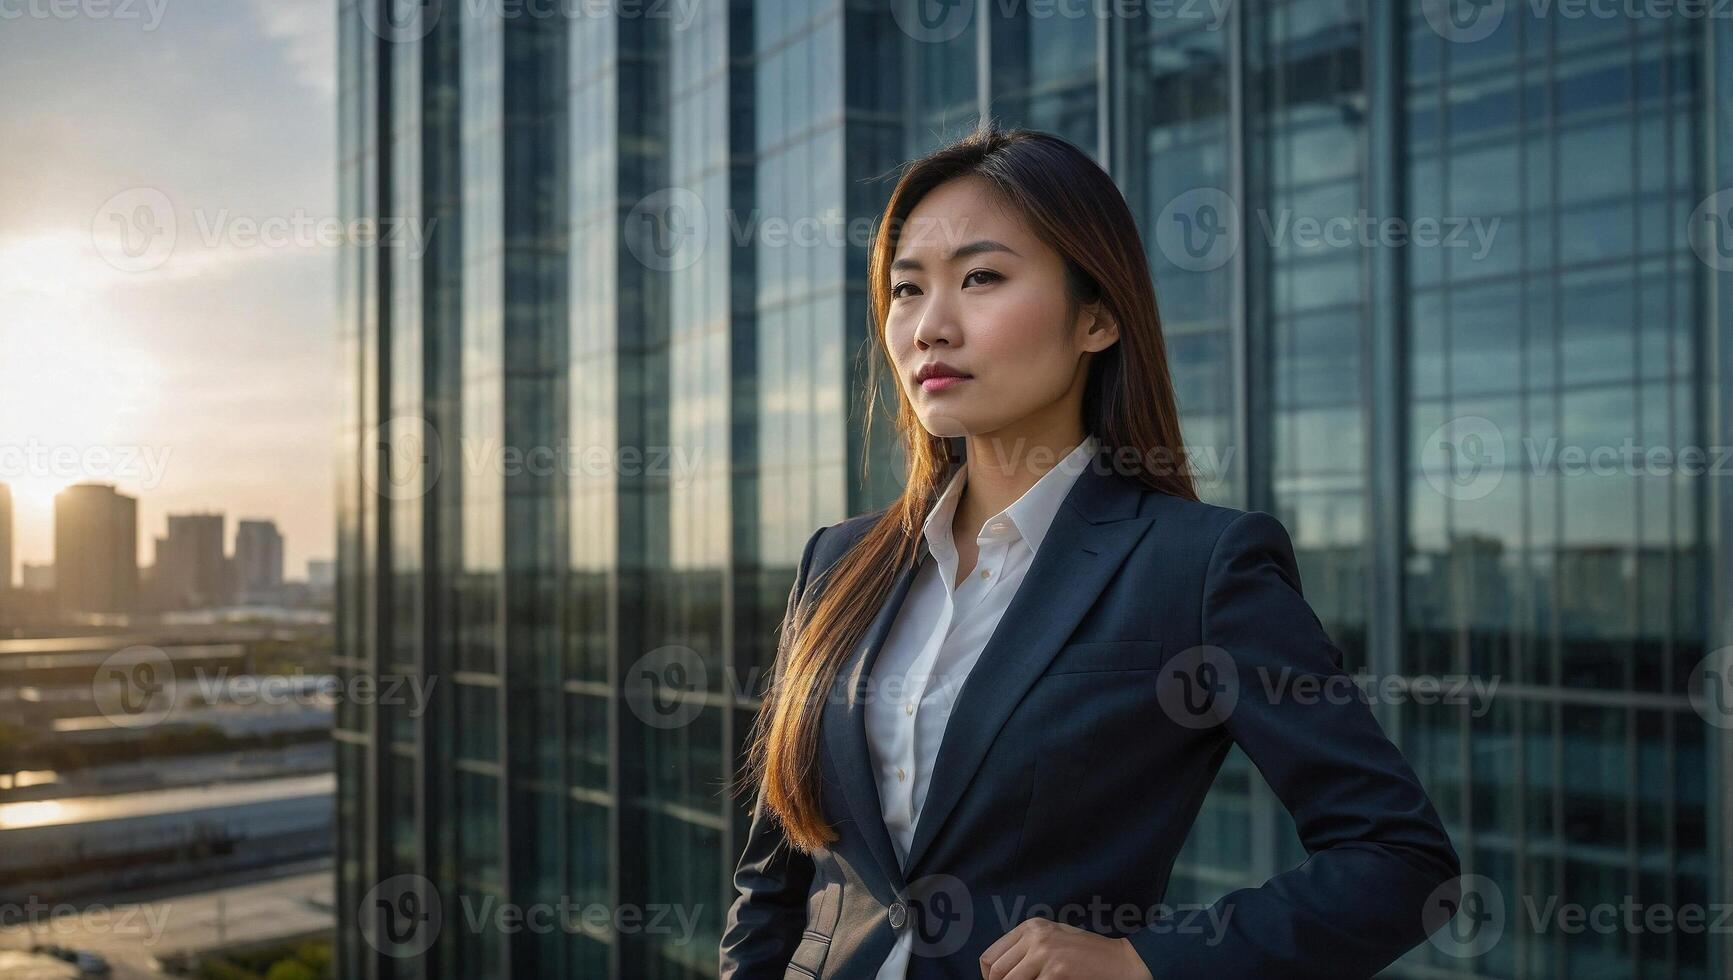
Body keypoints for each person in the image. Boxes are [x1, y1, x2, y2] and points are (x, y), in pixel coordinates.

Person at [720, 121, 1461, 980]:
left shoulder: (1197, 566)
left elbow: (1399, 861)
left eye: (982, 278)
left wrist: (1143, 960)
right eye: (906, 289)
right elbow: (774, 879)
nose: (929, 327)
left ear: (1097, 318)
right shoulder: (837, 563)